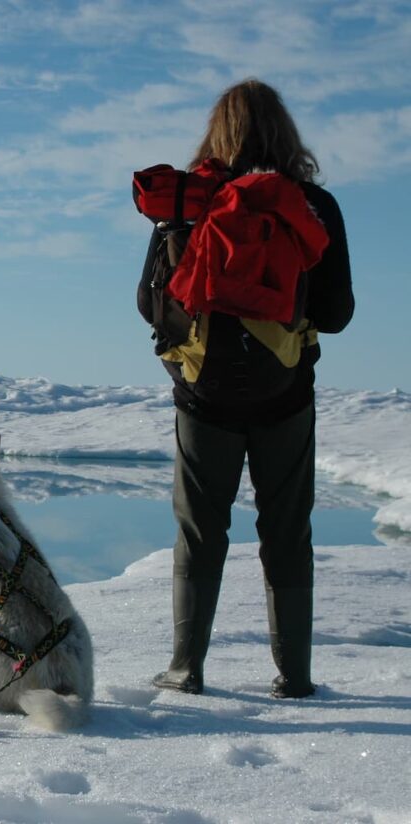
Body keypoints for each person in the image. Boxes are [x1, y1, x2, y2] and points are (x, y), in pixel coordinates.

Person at [136, 79, 354, 698]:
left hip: (203, 396)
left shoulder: (188, 200)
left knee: (200, 530)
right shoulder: (314, 205)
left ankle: (186, 668)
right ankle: (295, 676)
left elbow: (148, 300)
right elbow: (336, 312)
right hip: (286, 392)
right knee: (287, 530)